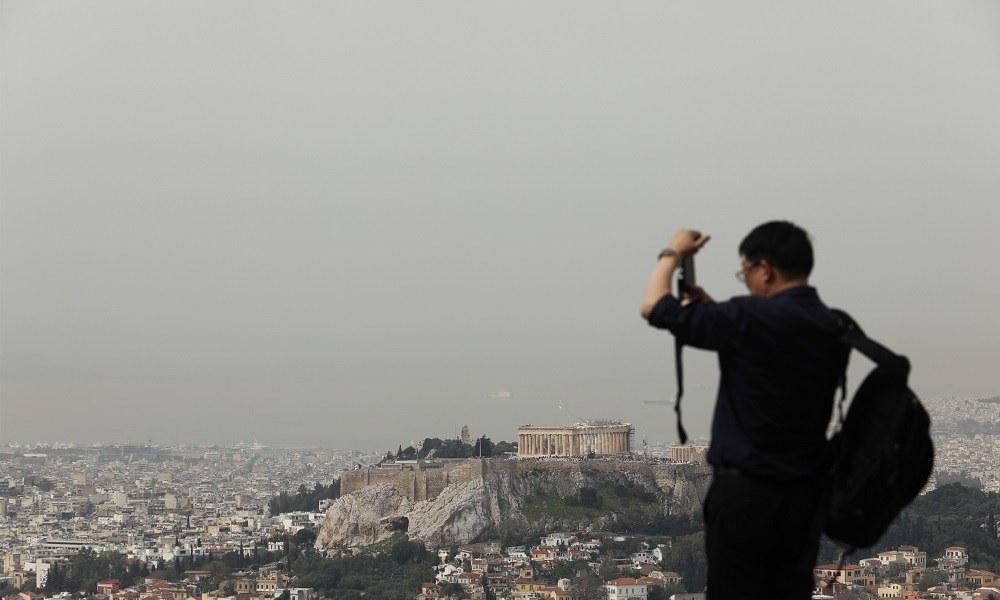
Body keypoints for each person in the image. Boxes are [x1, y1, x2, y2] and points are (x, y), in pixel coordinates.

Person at [640, 221, 846, 598]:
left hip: (747, 497)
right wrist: (714, 312)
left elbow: (653, 306)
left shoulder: (748, 319)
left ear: (765, 268)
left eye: (746, 272)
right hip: (804, 499)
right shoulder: (832, 324)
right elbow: (771, 352)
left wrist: (672, 253)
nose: (747, 282)